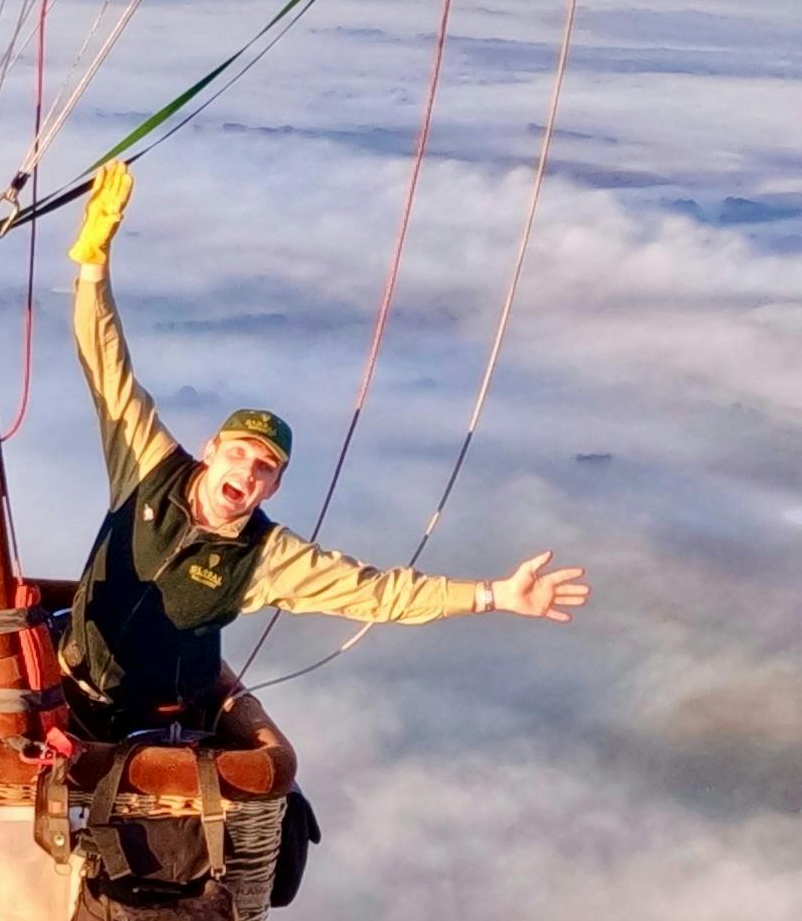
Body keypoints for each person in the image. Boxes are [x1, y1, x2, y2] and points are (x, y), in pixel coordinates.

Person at [56, 160, 585, 739]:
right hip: (64, 684)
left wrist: (493, 595)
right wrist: (92, 266)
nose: (247, 470)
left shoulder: (266, 557)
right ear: (211, 450)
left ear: (274, 487)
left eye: (264, 467)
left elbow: (379, 594)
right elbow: (109, 371)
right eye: (239, 453)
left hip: (148, 731)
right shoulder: (148, 464)